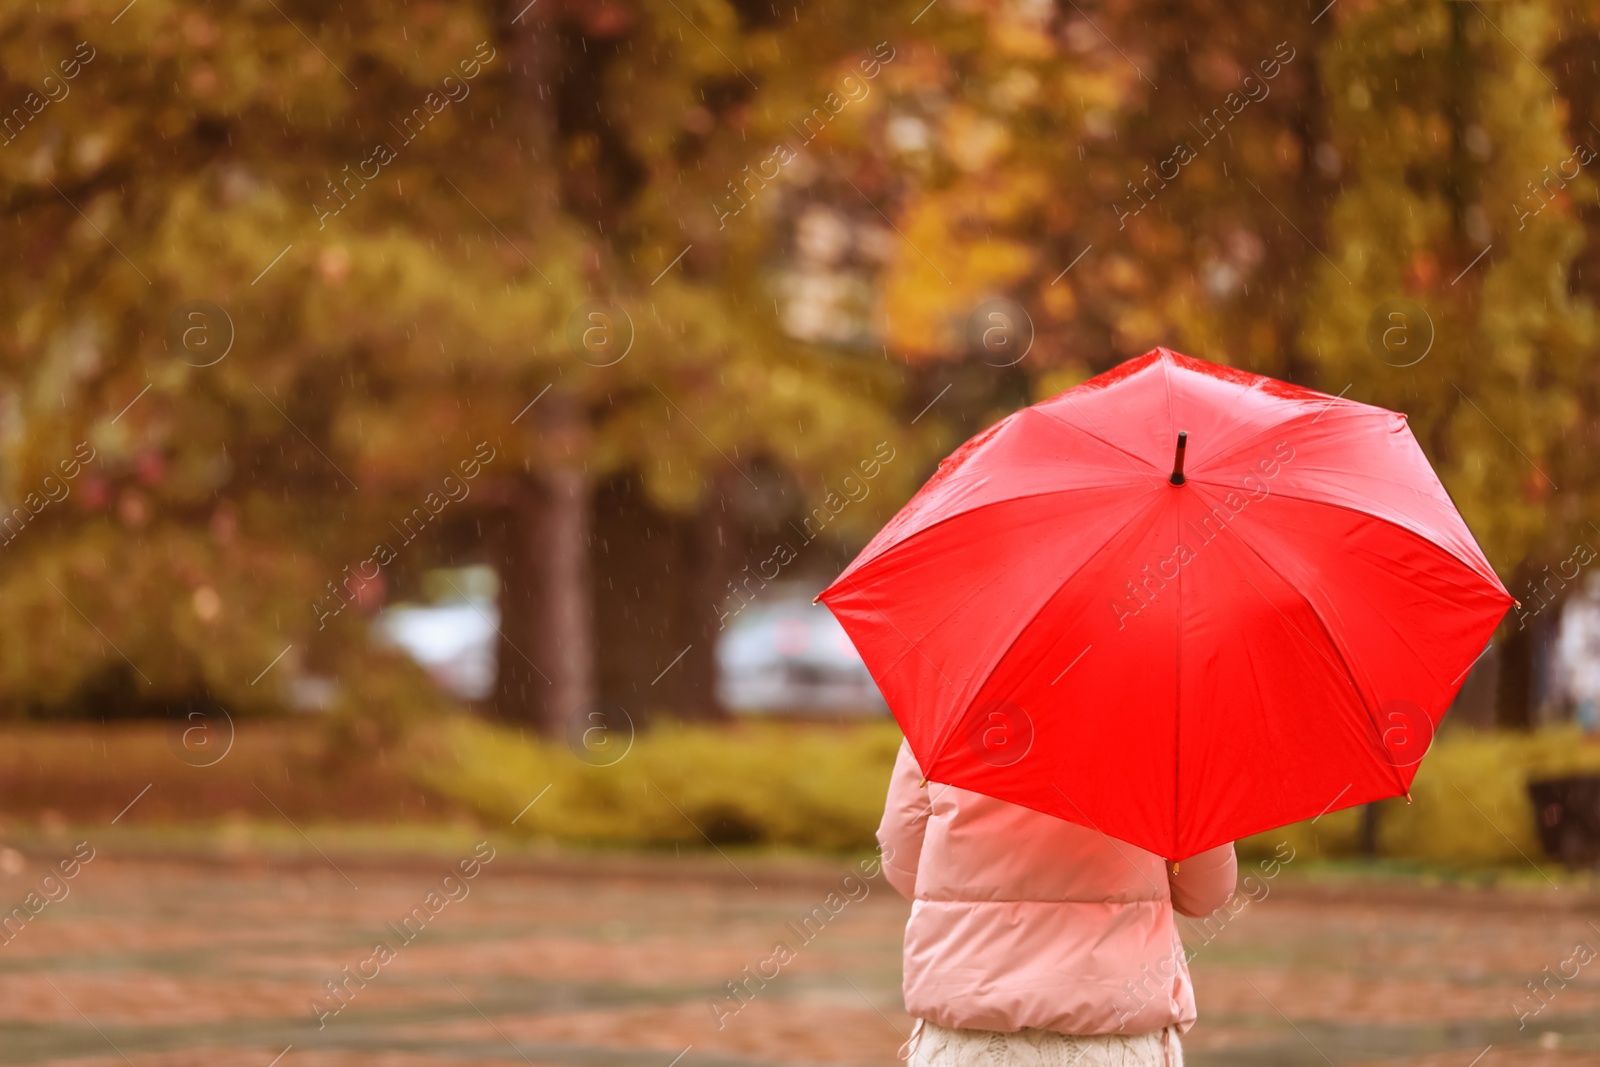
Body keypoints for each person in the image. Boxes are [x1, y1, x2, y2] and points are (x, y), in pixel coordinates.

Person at [877, 739, 1238, 1067]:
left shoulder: (949, 715)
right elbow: (1205, 892)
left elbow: (905, 865)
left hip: (967, 1038)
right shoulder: (1170, 731)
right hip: (1113, 1040)